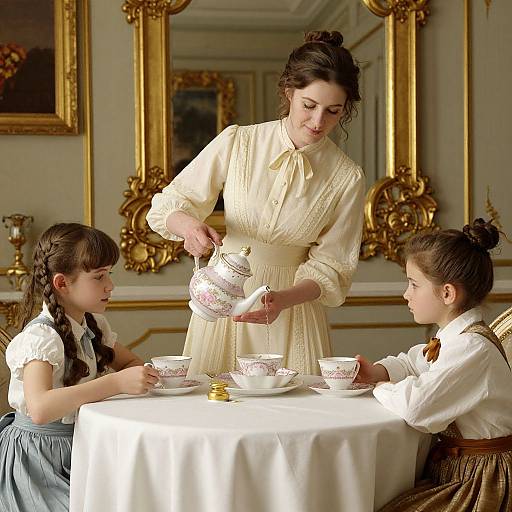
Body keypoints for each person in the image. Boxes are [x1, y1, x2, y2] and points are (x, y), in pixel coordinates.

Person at [147, 30, 366, 376]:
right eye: (309, 106)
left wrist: (282, 300)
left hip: (292, 310)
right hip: (221, 300)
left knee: (293, 419)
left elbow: (332, 265)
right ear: (289, 92)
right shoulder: (240, 142)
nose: (318, 121)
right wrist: (188, 226)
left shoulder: (346, 177)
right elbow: (171, 202)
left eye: (333, 111)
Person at [0, 223, 159, 512]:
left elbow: (130, 363)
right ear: (62, 283)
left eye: (109, 274)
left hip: (86, 444)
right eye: (99, 277)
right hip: (40, 460)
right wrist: (115, 384)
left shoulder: (94, 325)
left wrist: (133, 378)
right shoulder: (42, 337)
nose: (110, 285)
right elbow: (40, 408)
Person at [355, 218, 512, 511]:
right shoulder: (455, 338)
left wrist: (381, 387)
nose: (406, 294)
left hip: (484, 481)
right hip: (459, 468)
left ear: (448, 293)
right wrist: (380, 370)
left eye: (414, 285)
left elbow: (417, 408)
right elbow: (416, 362)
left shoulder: (471, 348)